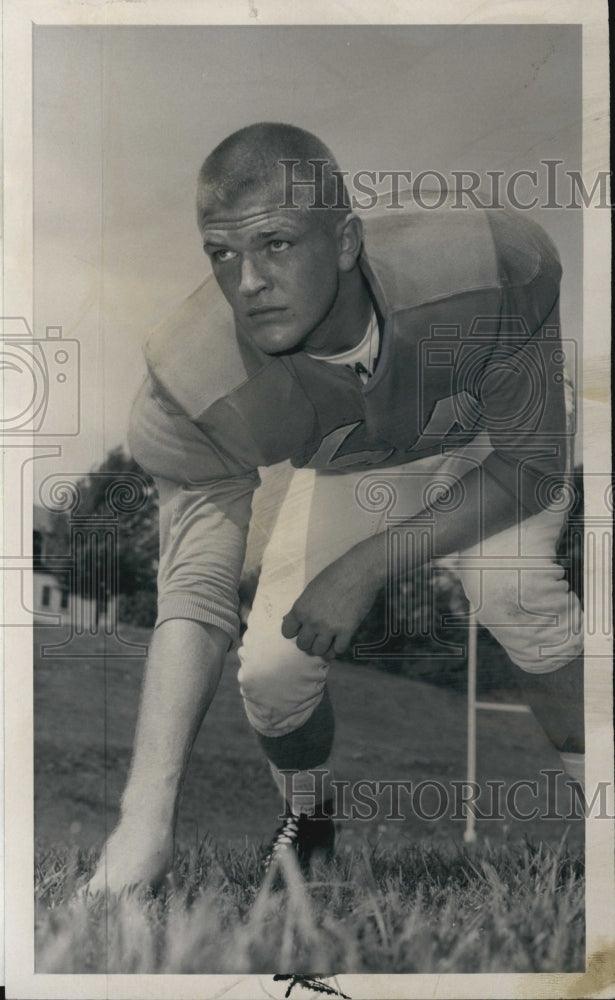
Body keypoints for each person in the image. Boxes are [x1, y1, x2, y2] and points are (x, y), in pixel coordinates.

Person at [88, 122, 584, 893]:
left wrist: (366, 563)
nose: (246, 281)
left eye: (276, 243)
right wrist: (144, 817)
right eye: (221, 253)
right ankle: (310, 814)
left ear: (346, 240)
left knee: (511, 586)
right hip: (360, 463)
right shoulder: (190, 380)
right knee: (274, 673)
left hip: (492, 436)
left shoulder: (488, 262)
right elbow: (194, 595)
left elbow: (529, 466)